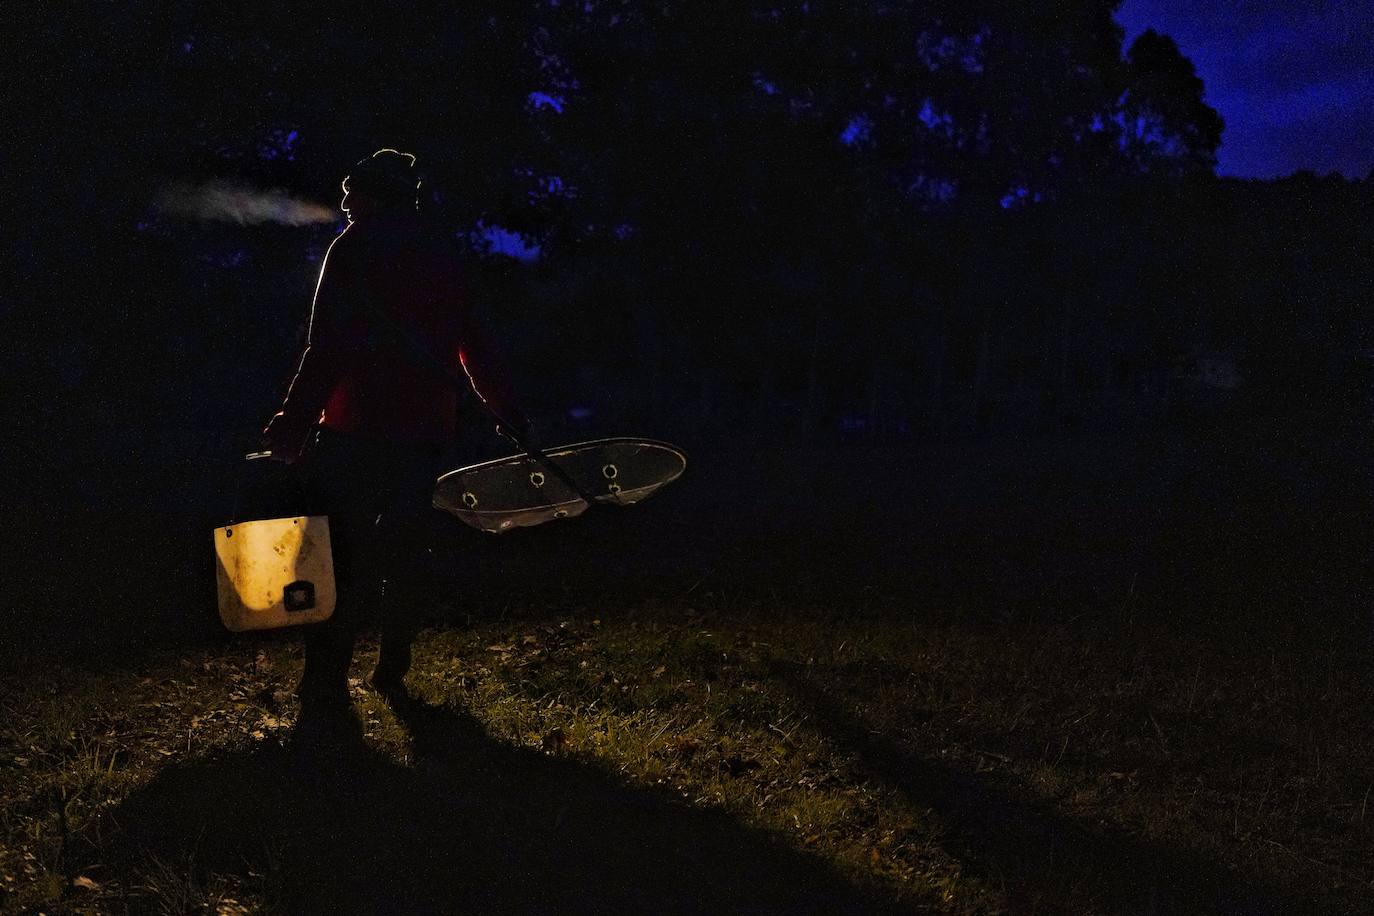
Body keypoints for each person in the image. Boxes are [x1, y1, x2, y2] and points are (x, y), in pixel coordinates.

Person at [262, 149, 526, 730]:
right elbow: (474, 342)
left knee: (339, 552)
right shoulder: (443, 254)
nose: (344, 205)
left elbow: (326, 345)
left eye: (351, 195)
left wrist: (293, 421)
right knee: (406, 544)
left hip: (356, 426)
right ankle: (393, 662)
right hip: (426, 429)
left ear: (372, 195)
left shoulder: (353, 248)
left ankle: (325, 681)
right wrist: (507, 411)